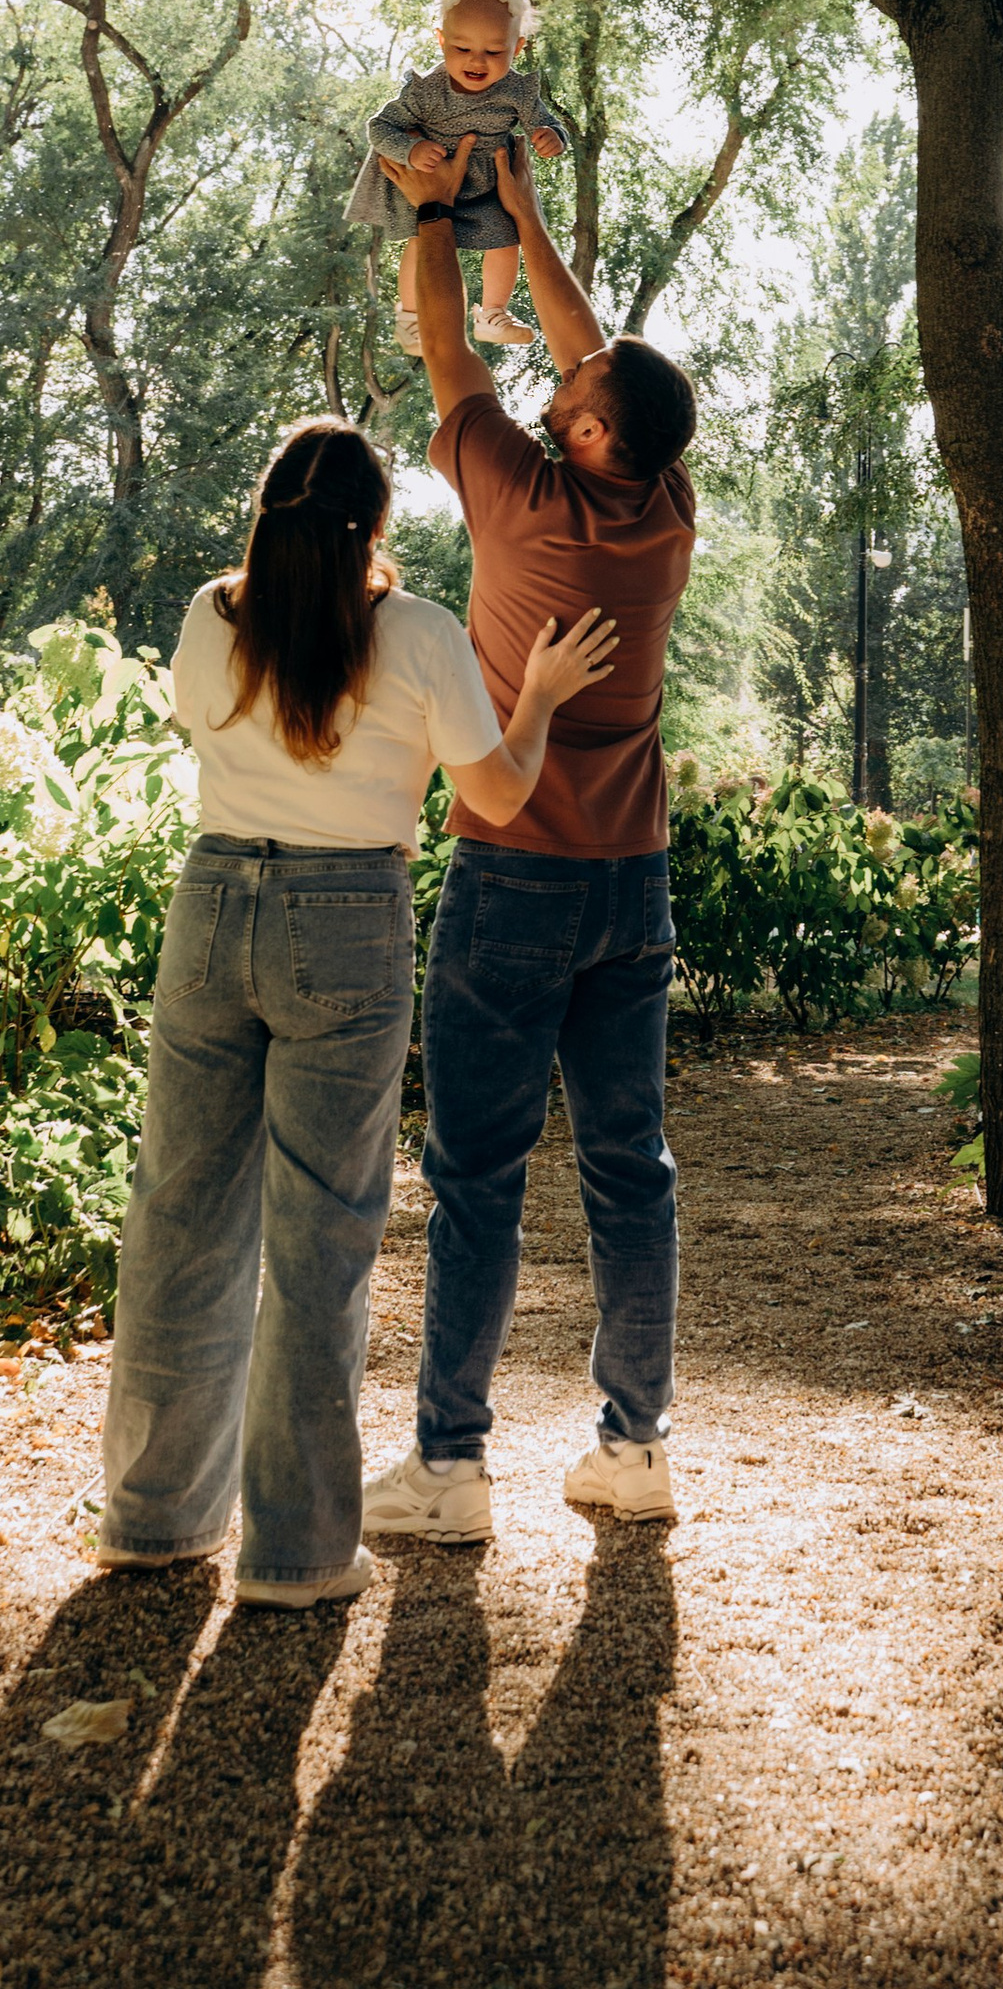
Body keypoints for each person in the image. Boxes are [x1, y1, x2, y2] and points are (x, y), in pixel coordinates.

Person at [94, 418, 617, 1606]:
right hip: (348, 913)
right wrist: (532, 698)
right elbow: (495, 790)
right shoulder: (421, 633)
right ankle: (294, 1552)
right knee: (320, 1240)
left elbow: (206, 727)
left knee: (177, 1212)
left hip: (214, 897)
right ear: (378, 524)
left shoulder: (211, 615)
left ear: (266, 510)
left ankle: (153, 1516)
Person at [362, 125, 699, 1544]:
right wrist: (531, 206)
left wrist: (436, 216)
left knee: (478, 1177)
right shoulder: (663, 507)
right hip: (633, 882)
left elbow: (452, 356)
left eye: (574, 390)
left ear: (591, 433)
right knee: (631, 1165)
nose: (557, 375)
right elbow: (589, 348)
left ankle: (448, 1469)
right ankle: (635, 1448)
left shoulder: (522, 495)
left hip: (512, 878)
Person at [344, 0, 569, 356]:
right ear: (441, 40)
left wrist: (553, 137)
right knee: (423, 240)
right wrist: (410, 151)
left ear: (517, 48)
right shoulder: (426, 91)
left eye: (494, 51)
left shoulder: (518, 90)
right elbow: (380, 128)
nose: (477, 61)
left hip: (489, 183)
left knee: (506, 240)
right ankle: (414, 319)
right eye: (462, 48)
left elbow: (545, 121)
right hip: (432, 176)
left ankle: (494, 315)